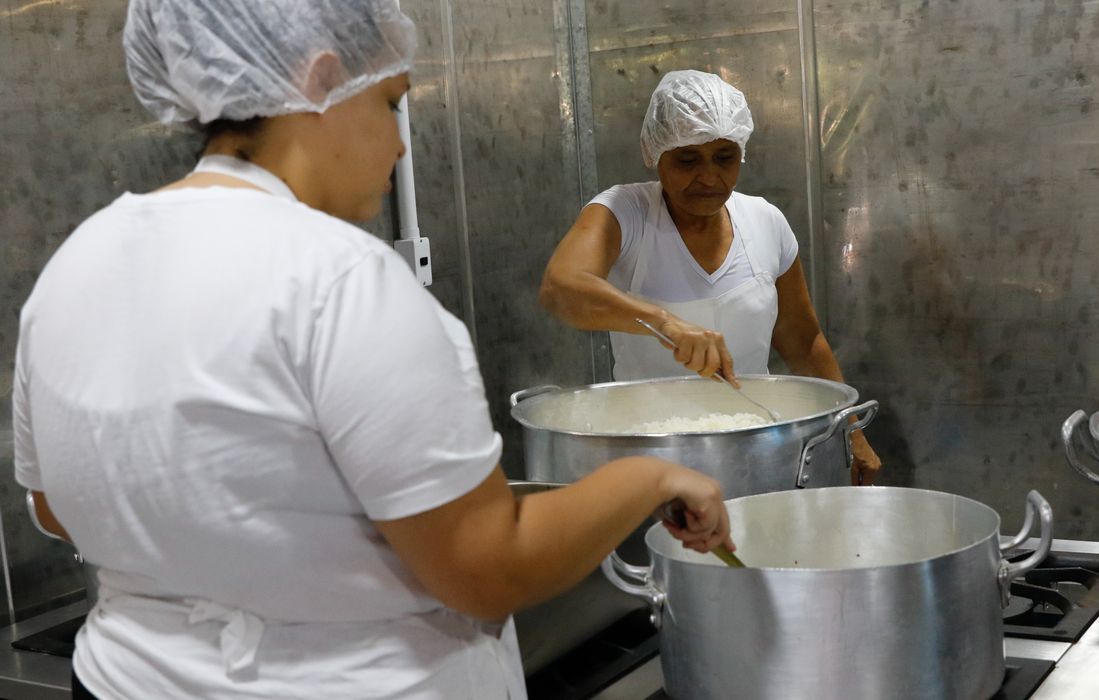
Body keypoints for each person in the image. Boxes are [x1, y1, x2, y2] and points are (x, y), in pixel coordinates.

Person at [13, 4, 733, 698]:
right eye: (391, 102)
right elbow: (487, 568)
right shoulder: (344, 281)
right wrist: (651, 477)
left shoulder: (79, 261)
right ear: (320, 81)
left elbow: (54, 506)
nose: (398, 143)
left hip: (120, 680)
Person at [540, 69, 881, 485]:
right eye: (687, 159)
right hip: (650, 454)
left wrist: (852, 432)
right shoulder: (624, 213)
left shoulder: (765, 221)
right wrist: (665, 323)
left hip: (757, 449)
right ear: (655, 153)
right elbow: (562, 288)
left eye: (725, 158)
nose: (708, 177)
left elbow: (803, 340)